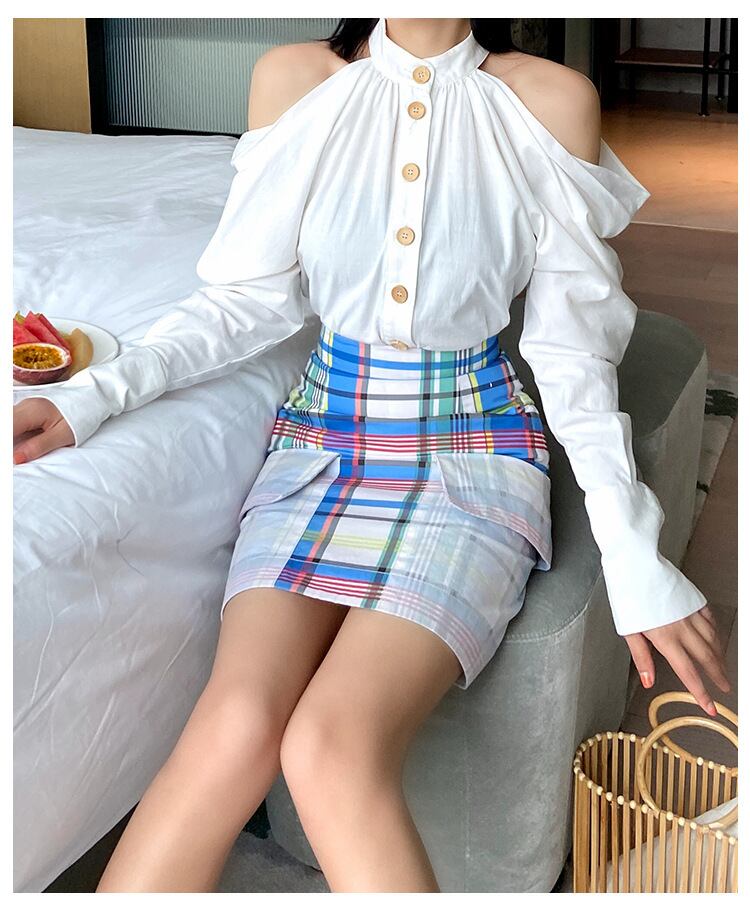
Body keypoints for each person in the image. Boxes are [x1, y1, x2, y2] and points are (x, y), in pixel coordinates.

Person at [13, 18, 730, 894]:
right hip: (321, 442)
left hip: (474, 450)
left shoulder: (549, 99)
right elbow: (244, 301)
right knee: (234, 727)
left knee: (330, 747)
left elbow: (573, 355)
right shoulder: (295, 80)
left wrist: (630, 547)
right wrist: (92, 395)